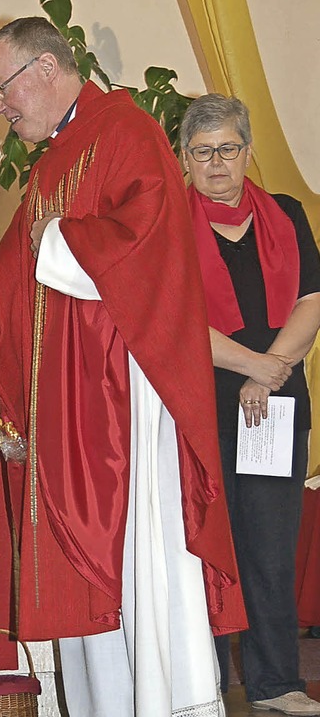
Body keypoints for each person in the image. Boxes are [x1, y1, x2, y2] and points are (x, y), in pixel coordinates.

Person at [0, 17, 247, 716]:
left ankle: (168, 702)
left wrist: (59, 240)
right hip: (73, 408)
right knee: (92, 576)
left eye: (0, 90)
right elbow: (12, 281)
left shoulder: (126, 130)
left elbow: (147, 235)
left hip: (126, 395)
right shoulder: (51, 161)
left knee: (141, 555)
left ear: (45, 69)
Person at [180, 93, 320, 715]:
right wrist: (252, 366)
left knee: (268, 544)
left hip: (276, 404)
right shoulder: (166, 224)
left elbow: (312, 300)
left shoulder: (286, 214)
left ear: (247, 152)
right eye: (202, 151)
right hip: (197, 404)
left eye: (227, 149)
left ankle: (276, 683)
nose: (216, 163)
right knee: (205, 545)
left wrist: (272, 371)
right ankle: (201, 684)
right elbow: (174, 320)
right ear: (183, 157)